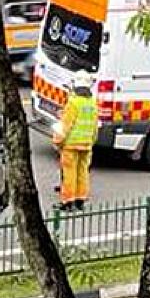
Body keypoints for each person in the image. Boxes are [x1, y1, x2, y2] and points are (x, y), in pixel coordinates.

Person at [54, 74, 100, 210]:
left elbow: (65, 125)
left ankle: (67, 202)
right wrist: (91, 142)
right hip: (86, 144)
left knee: (69, 173)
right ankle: (80, 200)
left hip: (71, 144)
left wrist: (57, 141)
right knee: (82, 172)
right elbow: (95, 126)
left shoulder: (73, 103)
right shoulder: (92, 103)